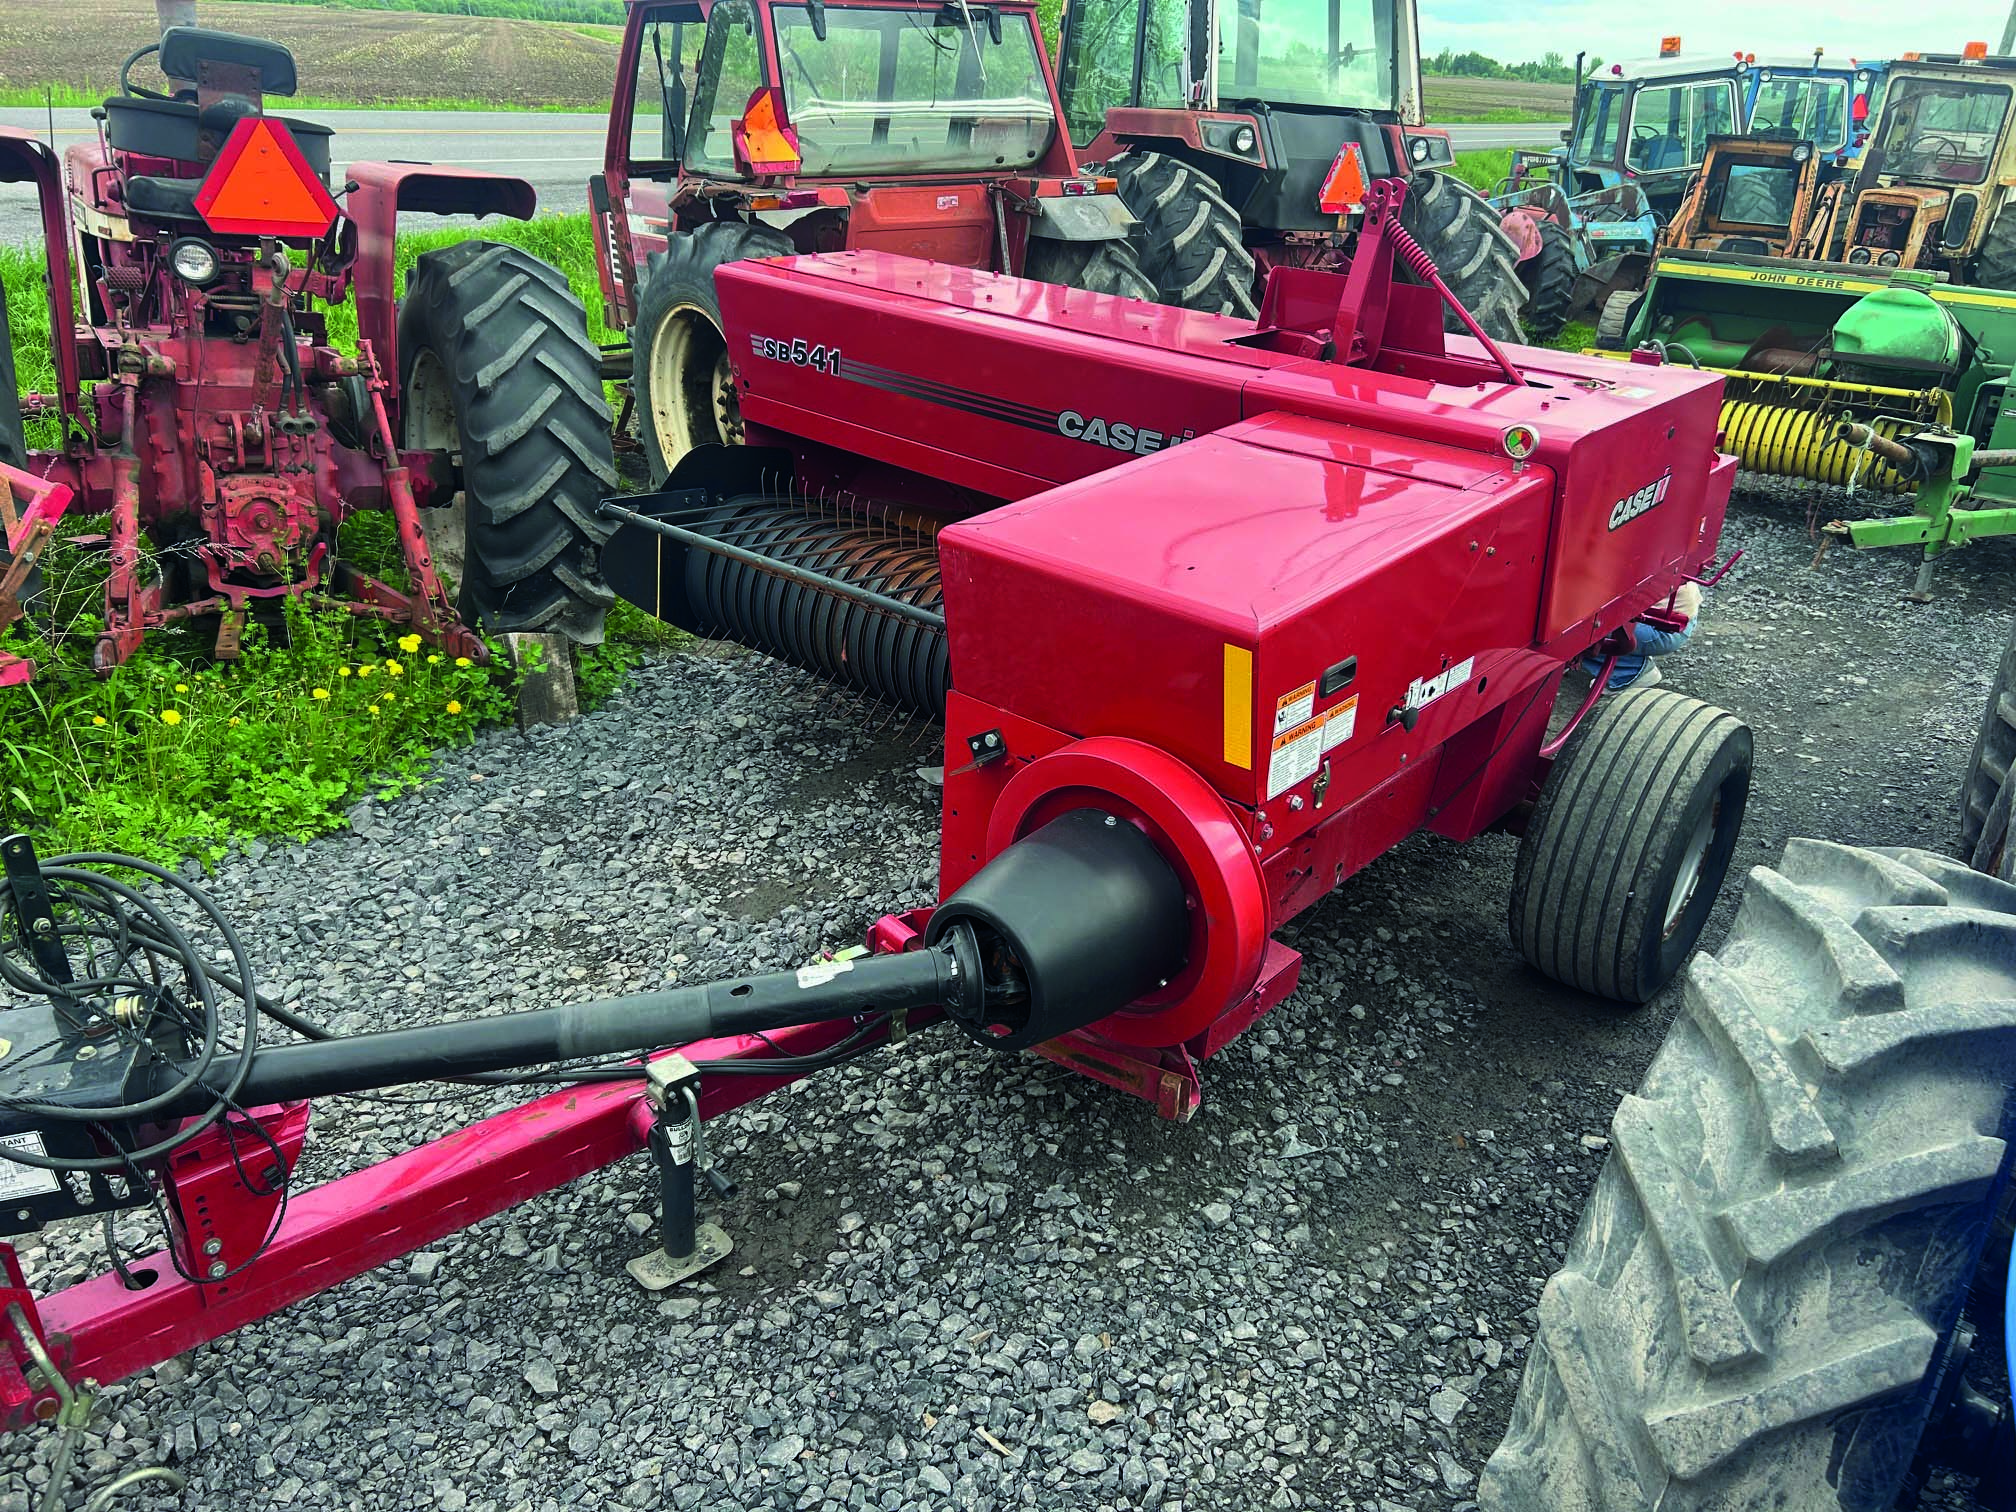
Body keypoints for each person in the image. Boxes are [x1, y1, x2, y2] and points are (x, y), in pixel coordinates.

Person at [1580, 581, 1702, 690]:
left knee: (1580, 631)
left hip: (1662, 626)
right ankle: (1628, 658)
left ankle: (1629, 672)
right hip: (1677, 617)